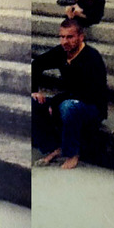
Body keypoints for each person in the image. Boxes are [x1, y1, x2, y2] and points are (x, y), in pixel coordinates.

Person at [32, 18, 108, 169]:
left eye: (70, 37)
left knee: (68, 107)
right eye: (62, 37)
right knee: (34, 102)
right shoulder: (61, 52)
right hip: (70, 99)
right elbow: (36, 64)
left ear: (81, 37)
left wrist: (55, 102)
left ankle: (72, 153)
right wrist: (35, 90)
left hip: (92, 106)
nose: (65, 41)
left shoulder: (92, 57)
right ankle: (53, 147)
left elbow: (87, 92)